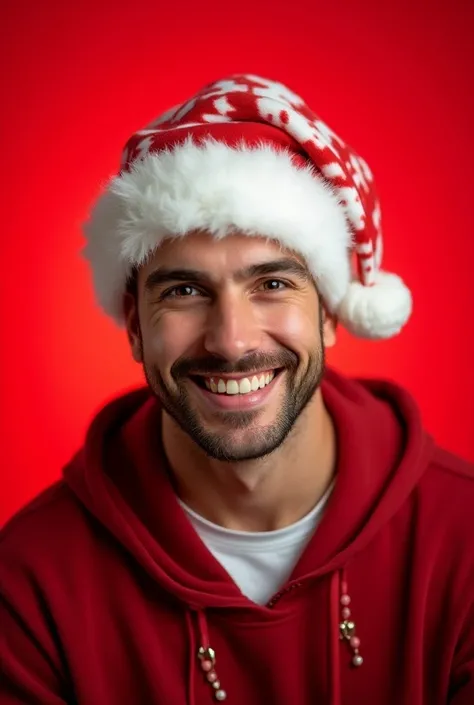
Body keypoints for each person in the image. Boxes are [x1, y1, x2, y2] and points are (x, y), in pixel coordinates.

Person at [1, 74, 473, 705]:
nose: (231, 340)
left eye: (272, 284)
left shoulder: (463, 540)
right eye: (184, 291)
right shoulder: (29, 582)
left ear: (331, 311)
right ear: (136, 325)